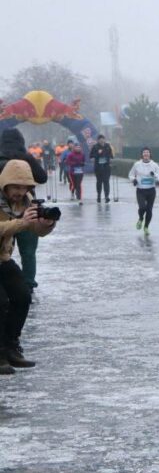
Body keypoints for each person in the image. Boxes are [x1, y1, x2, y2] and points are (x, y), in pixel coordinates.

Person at [0, 160, 57, 375]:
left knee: (22, 296)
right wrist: (21, 223)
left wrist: (45, 224)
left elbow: (36, 231)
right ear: (5, 184)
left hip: (2, 257)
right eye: (15, 187)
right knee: (1, 302)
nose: (20, 192)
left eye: (24, 188)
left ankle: (11, 347)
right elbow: (18, 225)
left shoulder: (26, 200)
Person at [0, 129, 48, 295]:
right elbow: (42, 177)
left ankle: (7, 284)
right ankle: (27, 284)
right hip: (25, 206)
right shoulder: (26, 157)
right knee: (28, 251)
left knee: (5, 248)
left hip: (4, 211)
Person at [129, 148, 159, 235]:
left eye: (147, 152)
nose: (146, 154)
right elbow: (131, 174)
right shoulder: (137, 164)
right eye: (144, 152)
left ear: (150, 154)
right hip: (140, 190)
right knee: (142, 207)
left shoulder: (154, 165)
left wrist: (155, 175)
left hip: (151, 190)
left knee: (149, 210)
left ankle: (146, 227)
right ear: (142, 155)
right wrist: (134, 180)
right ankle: (141, 218)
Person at [89, 134, 115, 203]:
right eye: (100, 139)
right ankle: (99, 196)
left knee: (106, 182)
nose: (101, 140)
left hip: (106, 167)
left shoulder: (107, 146)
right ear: (98, 140)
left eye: (103, 139)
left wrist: (111, 159)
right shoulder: (95, 147)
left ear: (104, 139)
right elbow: (91, 156)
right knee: (99, 182)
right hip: (98, 167)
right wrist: (97, 153)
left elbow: (111, 155)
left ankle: (107, 196)